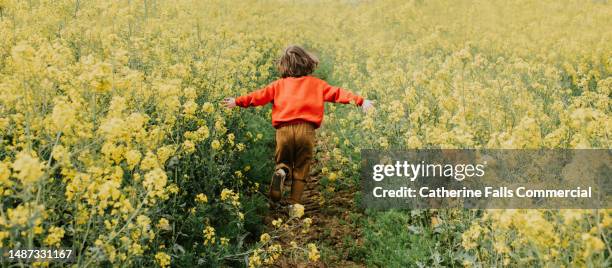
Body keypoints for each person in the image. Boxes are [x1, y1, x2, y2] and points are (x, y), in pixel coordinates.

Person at [223, 45, 374, 207]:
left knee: (284, 161)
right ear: (307, 63)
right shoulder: (317, 84)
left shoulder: (277, 85)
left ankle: (281, 172)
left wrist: (237, 101)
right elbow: (338, 94)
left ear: (283, 66)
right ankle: (294, 205)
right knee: (301, 166)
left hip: (284, 131)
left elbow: (258, 96)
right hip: (306, 130)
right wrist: (361, 101)